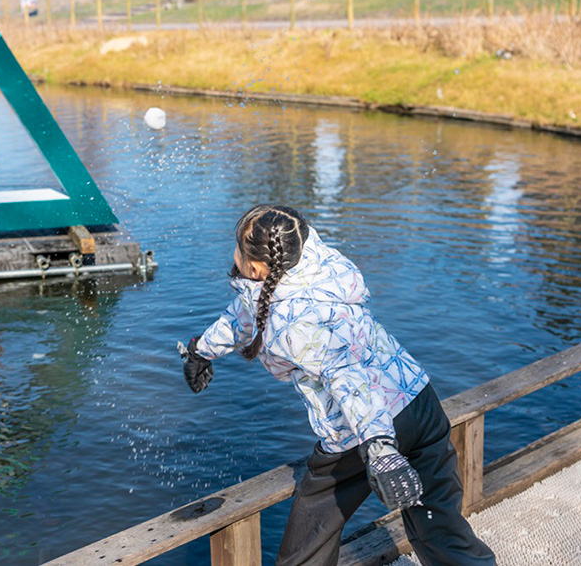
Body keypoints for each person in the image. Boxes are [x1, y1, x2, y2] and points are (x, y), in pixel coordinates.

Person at [180, 205, 496, 566]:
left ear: (254, 268)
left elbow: (349, 376)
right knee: (440, 528)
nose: (231, 254)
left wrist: (380, 450)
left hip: (362, 430)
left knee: (306, 550)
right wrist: (200, 351)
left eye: (235, 247)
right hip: (418, 400)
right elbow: (248, 312)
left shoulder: (290, 323)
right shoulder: (317, 261)